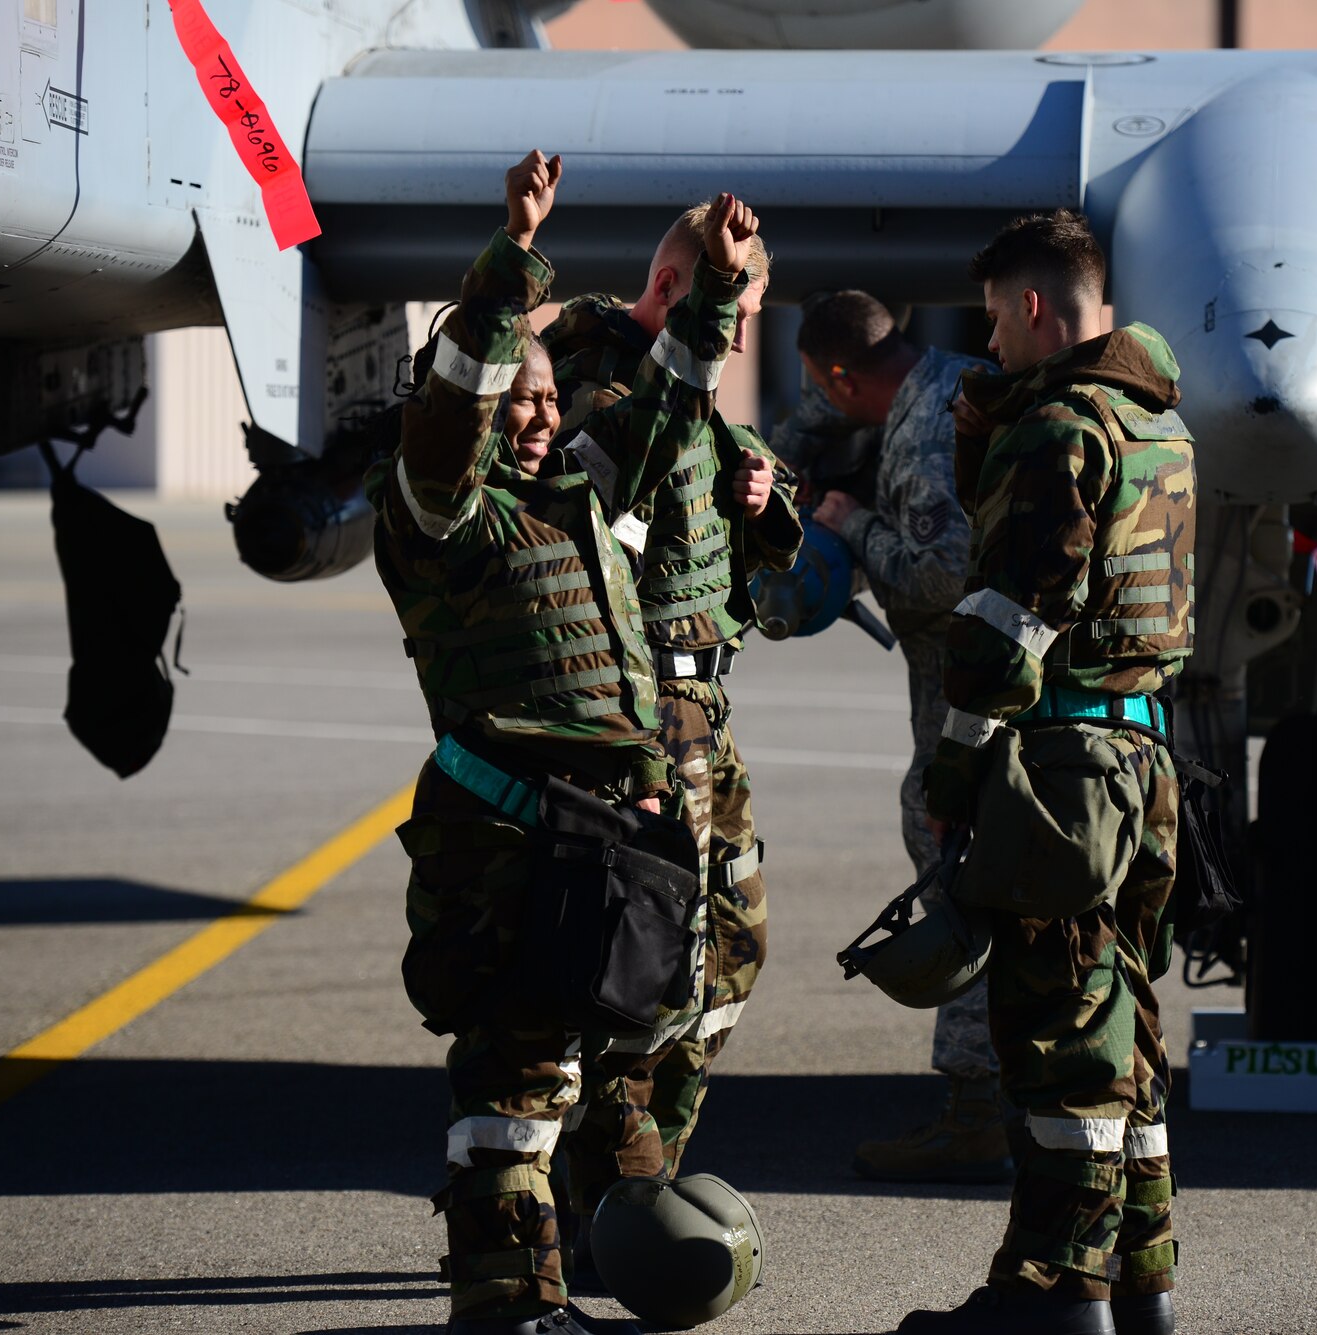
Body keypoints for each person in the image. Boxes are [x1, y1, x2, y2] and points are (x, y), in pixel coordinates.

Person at [366, 149, 760, 1334]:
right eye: (516, 401)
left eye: (547, 401)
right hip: (508, 835)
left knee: (589, 1063)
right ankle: (504, 1304)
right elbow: (451, 414)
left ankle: (546, 1280)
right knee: (514, 1085)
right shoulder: (442, 513)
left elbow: (672, 405)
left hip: (605, 833)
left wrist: (718, 295)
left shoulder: (576, 501)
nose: (536, 419)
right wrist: (507, 270)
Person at [902, 209, 1196, 1335]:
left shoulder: (1058, 430)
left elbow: (1012, 615)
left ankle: (1051, 1295)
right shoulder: (1157, 426)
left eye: (992, 321)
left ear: (1031, 308)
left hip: (1062, 769)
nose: (989, 347)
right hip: (1142, 758)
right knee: (1123, 1025)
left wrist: (954, 772)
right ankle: (1140, 1281)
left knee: (1057, 1037)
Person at [539, 208, 802, 1249]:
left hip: (707, 713)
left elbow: (748, 527)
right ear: (670, 286)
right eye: (723, 313)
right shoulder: (595, 386)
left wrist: (764, 499)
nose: (735, 343)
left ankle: (642, 1182)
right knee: (637, 965)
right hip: (637, 723)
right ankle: (615, 1198)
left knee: (729, 952)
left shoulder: (690, 401)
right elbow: (626, 456)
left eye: (743, 319)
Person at [790, 291, 1009, 1184]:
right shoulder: (956, 381)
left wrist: (849, 524)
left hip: (967, 715)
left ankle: (976, 1109)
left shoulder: (919, 440)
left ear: (843, 374)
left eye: (821, 386)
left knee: (957, 874)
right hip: (1004, 702)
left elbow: (932, 578)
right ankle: (1026, 1098)